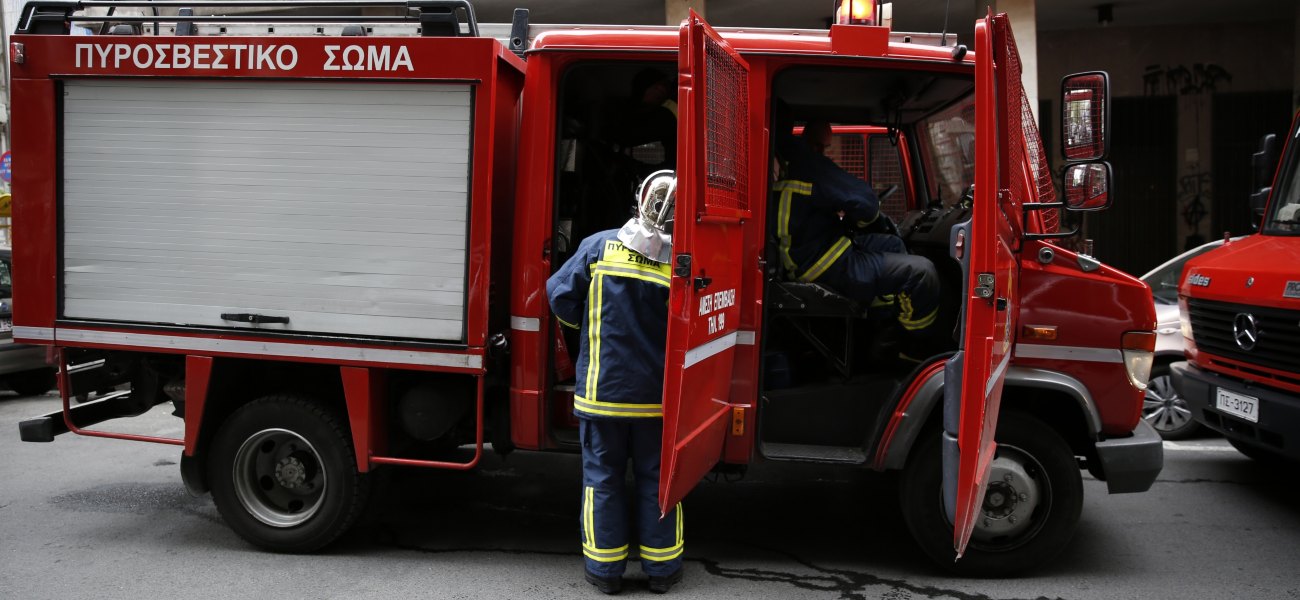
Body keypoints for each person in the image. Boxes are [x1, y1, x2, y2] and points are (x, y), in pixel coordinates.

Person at [546, 171, 684, 595]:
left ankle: (605, 574)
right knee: (658, 480)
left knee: (602, 480)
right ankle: (662, 572)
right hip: (655, 401)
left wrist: (587, 330)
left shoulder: (598, 247)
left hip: (601, 395)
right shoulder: (680, 263)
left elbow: (560, 298)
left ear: (639, 199)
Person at [774, 118, 943, 359]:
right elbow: (866, 202)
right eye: (820, 146)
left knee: (893, 244)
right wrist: (866, 221)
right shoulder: (809, 165)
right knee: (922, 273)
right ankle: (913, 348)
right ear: (809, 142)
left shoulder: (785, 163)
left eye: (824, 148)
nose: (822, 153)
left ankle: (881, 328)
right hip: (824, 264)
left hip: (809, 255)